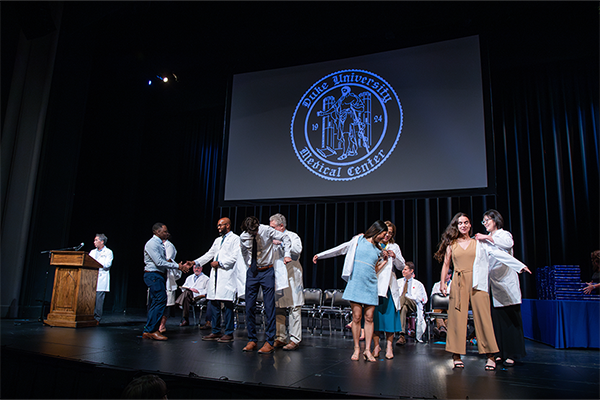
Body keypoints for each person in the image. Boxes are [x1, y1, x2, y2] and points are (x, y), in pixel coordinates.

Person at [434, 212, 527, 370]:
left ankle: (490, 354)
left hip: (478, 281)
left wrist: (519, 266)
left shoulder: (479, 242)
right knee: (456, 317)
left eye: (466, 222)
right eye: (460, 223)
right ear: (456, 226)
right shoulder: (452, 244)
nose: (463, 225)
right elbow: (446, 264)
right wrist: (443, 282)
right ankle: (456, 355)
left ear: (470, 225)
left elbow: (498, 253)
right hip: (458, 281)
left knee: (483, 317)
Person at [313, 220, 389, 362]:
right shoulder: (358, 240)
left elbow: (375, 269)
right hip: (356, 283)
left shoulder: (379, 249)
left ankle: (367, 350)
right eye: (383, 234)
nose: (383, 238)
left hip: (371, 284)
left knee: (369, 317)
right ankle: (356, 348)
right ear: (376, 231)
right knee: (356, 316)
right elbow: (340, 249)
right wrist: (321, 255)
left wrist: (384, 261)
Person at [476, 209, 532, 367]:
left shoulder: (503, 234)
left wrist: (487, 237)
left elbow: (508, 245)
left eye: (487, 220)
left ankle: (512, 353)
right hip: (493, 285)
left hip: (506, 283)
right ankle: (498, 352)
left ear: (496, 220)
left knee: (510, 320)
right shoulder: (486, 240)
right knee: (496, 321)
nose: (485, 223)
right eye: (484, 221)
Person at [240, 216, 292, 354]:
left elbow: (285, 238)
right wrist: (249, 265)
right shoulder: (243, 236)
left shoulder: (267, 230)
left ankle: (269, 341)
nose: (255, 233)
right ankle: (252, 339)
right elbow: (244, 252)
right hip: (253, 272)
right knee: (249, 306)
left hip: (267, 271)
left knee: (269, 307)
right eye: (252, 232)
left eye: (256, 230)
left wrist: (287, 254)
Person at [192, 217, 245, 343]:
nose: (218, 228)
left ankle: (228, 332)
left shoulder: (235, 239)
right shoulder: (218, 240)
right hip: (216, 276)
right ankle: (215, 331)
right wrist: (195, 262)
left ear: (228, 225)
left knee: (227, 305)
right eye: (218, 225)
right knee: (214, 303)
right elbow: (209, 254)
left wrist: (220, 263)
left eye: (220, 225)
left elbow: (235, 257)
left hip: (227, 275)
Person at [143, 222, 191, 340]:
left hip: (158, 275)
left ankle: (149, 330)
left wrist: (177, 265)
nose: (167, 233)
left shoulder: (159, 244)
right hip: (153, 275)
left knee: (156, 303)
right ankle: (152, 330)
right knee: (160, 300)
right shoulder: (152, 243)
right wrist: (178, 267)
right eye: (164, 231)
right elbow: (159, 262)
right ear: (157, 232)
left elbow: (166, 261)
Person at [270, 213, 304, 351]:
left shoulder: (293, 236)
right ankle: (280, 337)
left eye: (273, 227)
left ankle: (295, 339)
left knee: (294, 307)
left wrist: (282, 243)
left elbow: (296, 251)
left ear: (281, 226)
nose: (271, 230)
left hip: (292, 276)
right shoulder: (271, 238)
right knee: (279, 307)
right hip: (279, 276)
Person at [372, 220, 405, 359]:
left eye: (390, 233)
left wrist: (394, 257)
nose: (387, 235)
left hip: (389, 285)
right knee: (374, 316)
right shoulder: (374, 244)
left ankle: (389, 346)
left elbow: (402, 266)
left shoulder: (394, 246)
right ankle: (376, 345)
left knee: (390, 317)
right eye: (386, 232)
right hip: (375, 284)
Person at [395, 261, 428, 345]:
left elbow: (422, 299)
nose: (403, 271)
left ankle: (397, 311)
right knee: (404, 308)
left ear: (411, 271)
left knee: (403, 298)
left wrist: (408, 298)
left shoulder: (418, 284)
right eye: (403, 269)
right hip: (403, 304)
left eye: (405, 269)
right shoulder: (398, 282)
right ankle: (402, 335)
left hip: (413, 304)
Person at [157, 238, 182, 333]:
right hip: (158, 277)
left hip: (167, 279)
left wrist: (177, 267)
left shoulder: (169, 245)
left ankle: (162, 326)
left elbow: (169, 260)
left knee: (166, 305)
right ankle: (155, 324)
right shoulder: (154, 244)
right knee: (156, 304)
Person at [89, 233, 113, 324]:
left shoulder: (108, 252)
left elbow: (107, 265)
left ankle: (97, 318)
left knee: (99, 299)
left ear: (102, 241)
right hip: (91, 277)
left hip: (101, 277)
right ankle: (89, 316)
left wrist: (96, 263)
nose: (94, 242)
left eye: (96, 240)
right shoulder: (92, 252)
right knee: (90, 298)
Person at [430, 267, 453, 338]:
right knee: (437, 311)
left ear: (450, 275)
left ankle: (442, 329)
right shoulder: (437, 285)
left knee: (450, 312)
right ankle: (443, 329)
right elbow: (433, 296)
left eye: (445, 274)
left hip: (450, 306)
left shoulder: (454, 284)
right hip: (439, 307)